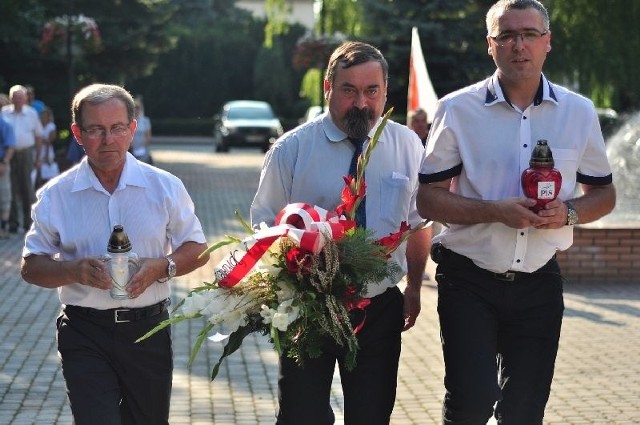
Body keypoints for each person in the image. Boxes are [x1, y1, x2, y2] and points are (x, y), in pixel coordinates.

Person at [416, 1, 616, 424]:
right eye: (506, 35)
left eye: (528, 34)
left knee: (525, 412)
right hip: (468, 276)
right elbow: (428, 199)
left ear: (548, 43)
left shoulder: (578, 112)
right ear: (490, 46)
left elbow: (604, 193)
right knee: (471, 403)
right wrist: (495, 211)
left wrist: (569, 214)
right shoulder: (457, 110)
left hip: (540, 282)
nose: (518, 45)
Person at [251, 41, 430, 425]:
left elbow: (417, 224)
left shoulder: (407, 145)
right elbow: (263, 227)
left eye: (372, 91)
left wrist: (414, 288)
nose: (361, 103)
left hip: (379, 307)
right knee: (302, 416)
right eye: (349, 90)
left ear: (385, 92)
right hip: (308, 308)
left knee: (371, 415)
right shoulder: (292, 149)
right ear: (328, 89)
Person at [21, 83, 210, 425]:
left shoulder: (164, 186)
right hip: (84, 331)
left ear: (132, 129)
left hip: (148, 329)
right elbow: (31, 266)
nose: (108, 140)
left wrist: (162, 267)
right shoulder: (57, 195)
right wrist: (73, 271)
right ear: (78, 133)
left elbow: (198, 249)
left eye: (117, 128)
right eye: (95, 130)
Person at [1, 85, 43, 233]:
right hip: (8, 154)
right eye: (15, 97)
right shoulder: (4, 113)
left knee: (27, 189)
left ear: (25, 98)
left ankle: (29, 223)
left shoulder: (31, 113)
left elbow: (39, 136)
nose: (18, 100)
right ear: (11, 98)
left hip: (26, 153)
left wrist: (38, 157)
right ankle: (12, 224)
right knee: (10, 189)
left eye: (21, 97)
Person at [0, 113, 16, 239]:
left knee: (4, 196)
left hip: (1, 163)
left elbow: (10, 146)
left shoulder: (5, 125)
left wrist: (4, 162)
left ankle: (3, 228)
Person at [35, 107, 58, 189]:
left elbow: (50, 140)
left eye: (45, 116)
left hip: (48, 150)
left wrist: (40, 140)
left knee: (48, 171)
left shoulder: (51, 126)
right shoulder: (37, 126)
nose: (43, 117)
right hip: (37, 150)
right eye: (42, 115)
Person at [129, 98, 153, 164]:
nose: (136, 110)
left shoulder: (145, 121)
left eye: (138, 108)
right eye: (135, 108)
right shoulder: (128, 121)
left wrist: (143, 146)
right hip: (131, 148)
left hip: (143, 148)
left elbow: (148, 135)